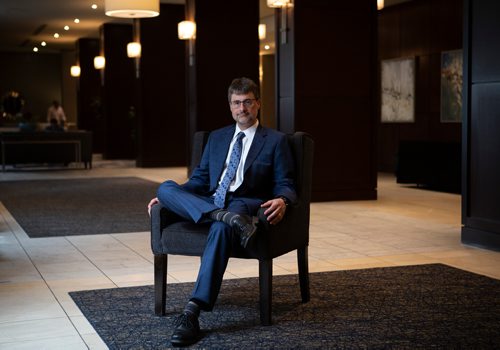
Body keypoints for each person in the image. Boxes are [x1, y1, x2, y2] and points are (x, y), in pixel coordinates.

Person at [147, 77, 297, 347]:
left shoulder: (275, 141)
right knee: (165, 189)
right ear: (230, 106)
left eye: (248, 102)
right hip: (213, 202)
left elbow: (286, 184)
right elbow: (199, 180)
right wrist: (171, 197)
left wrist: (283, 201)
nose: (243, 108)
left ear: (258, 104)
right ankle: (221, 215)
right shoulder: (216, 138)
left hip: (243, 204)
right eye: (237, 103)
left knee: (221, 227)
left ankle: (192, 311)